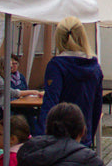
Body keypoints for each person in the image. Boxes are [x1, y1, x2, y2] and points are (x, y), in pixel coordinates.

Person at [38, 16, 103, 147]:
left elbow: (50, 103)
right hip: (83, 136)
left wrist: (41, 137)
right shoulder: (95, 68)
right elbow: (97, 107)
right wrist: (89, 134)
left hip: (59, 138)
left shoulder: (57, 66)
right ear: (82, 37)